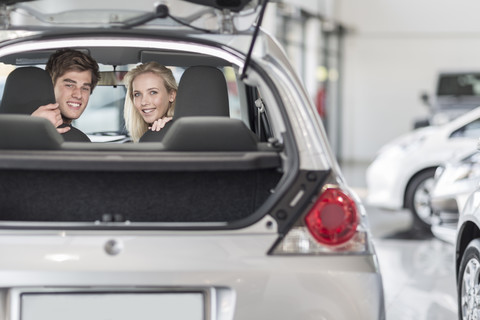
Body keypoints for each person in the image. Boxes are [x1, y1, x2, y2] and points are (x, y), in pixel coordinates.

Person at [31, 48, 100, 141]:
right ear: (50, 86)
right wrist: (31, 130)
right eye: (69, 85)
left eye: (85, 88)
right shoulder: (78, 140)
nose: (78, 95)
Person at [123, 62, 177, 142]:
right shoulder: (148, 136)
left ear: (171, 95)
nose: (144, 102)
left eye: (153, 92)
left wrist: (171, 125)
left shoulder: (176, 133)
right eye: (137, 94)